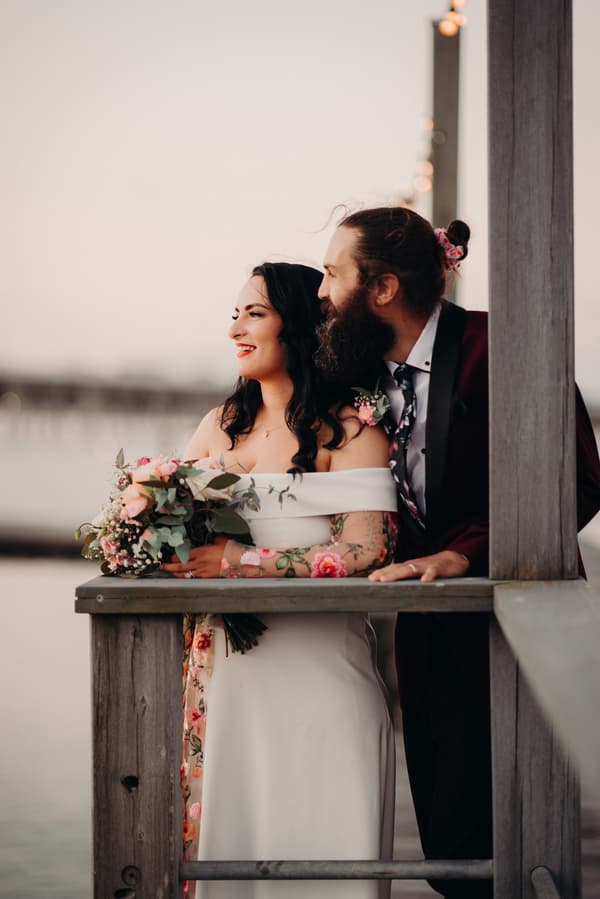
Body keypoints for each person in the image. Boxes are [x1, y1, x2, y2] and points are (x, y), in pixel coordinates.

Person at [315, 205, 600, 899]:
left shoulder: (502, 348)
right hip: (424, 645)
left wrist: (464, 553)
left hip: (508, 637)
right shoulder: (356, 376)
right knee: (448, 856)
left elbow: (577, 482)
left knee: (515, 853)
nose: (323, 291)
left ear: (382, 287)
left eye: (332, 273)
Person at [162, 262, 398, 899]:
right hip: (230, 692)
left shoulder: (349, 430)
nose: (236, 327)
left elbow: (364, 549)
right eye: (235, 313)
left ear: (297, 326)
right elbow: (172, 524)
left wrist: (236, 564)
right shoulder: (219, 426)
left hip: (321, 691)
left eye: (255, 313)